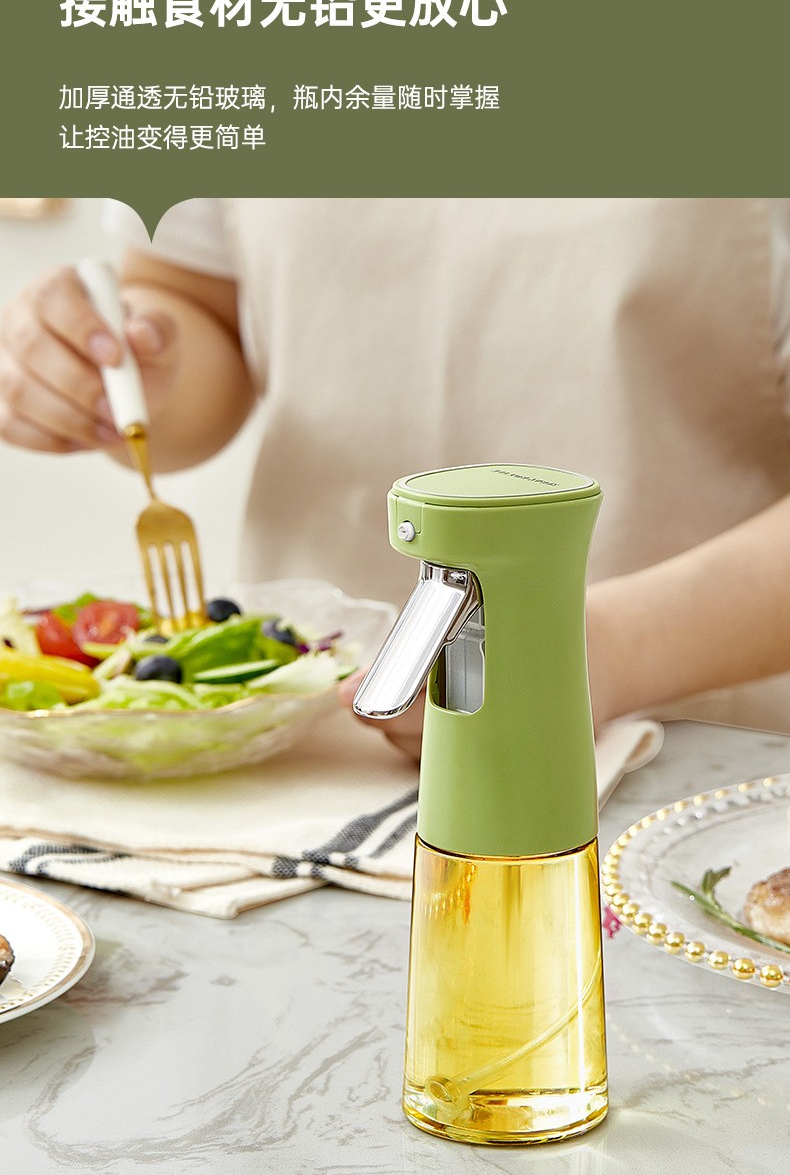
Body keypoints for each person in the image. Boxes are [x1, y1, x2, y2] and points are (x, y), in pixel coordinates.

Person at [2, 196, 790, 763]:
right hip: (306, 750)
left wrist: (595, 652)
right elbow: (192, 297)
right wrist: (127, 373)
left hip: (689, 755)